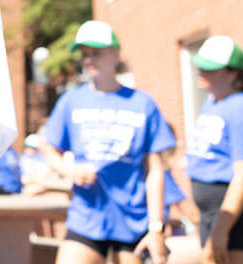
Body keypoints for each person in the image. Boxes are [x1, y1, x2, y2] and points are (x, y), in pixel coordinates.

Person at [39, 20, 174, 264]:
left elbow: (154, 170)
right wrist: (70, 170)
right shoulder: (72, 101)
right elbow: (48, 148)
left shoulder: (142, 103)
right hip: (87, 217)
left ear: (115, 54)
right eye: (84, 54)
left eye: (96, 53)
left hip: (133, 220)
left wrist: (156, 227)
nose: (89, 59)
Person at [185, 35, 243, 264]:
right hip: (211, 215)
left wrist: (221, 229)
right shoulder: (211, 103)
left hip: (233, 217)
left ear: (233, 73)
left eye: (210, 68)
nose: (202, 72)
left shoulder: (241, 107)